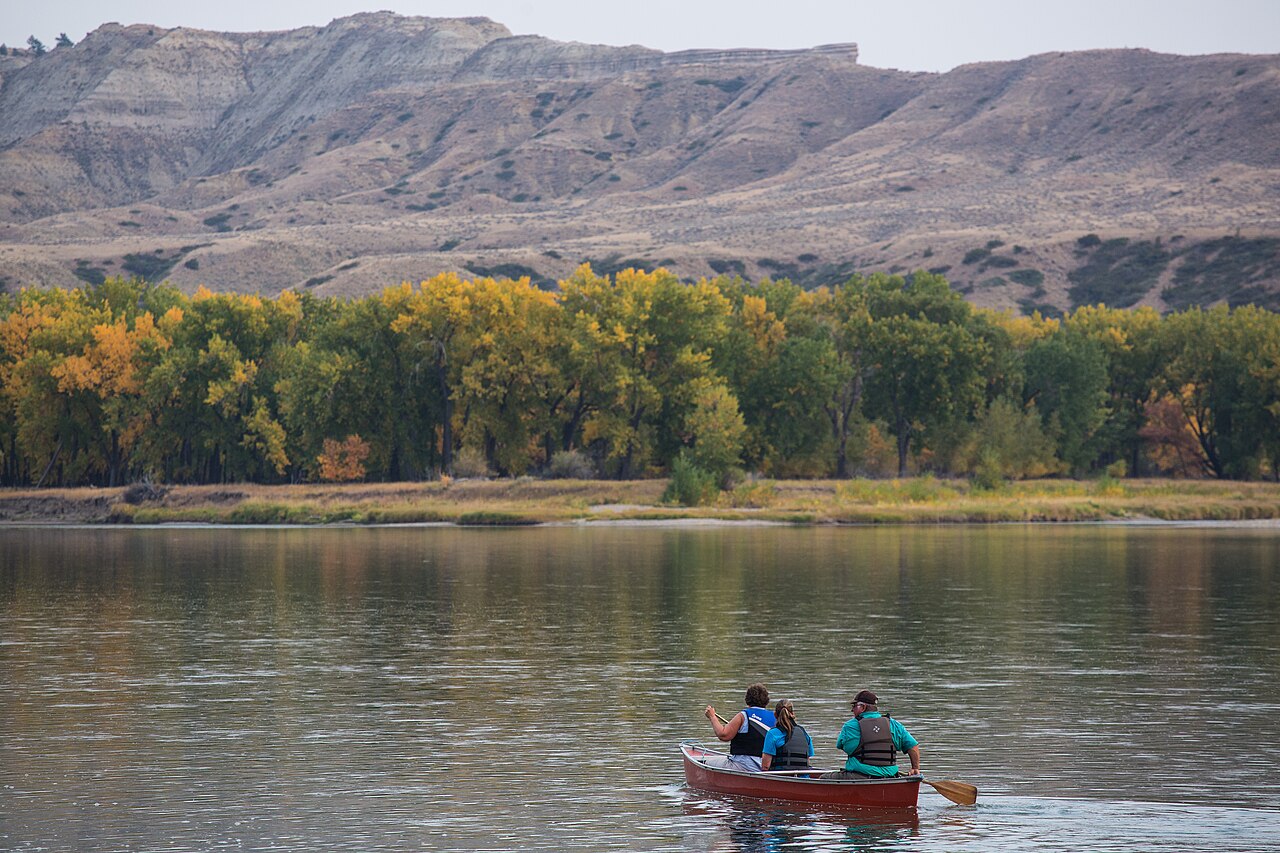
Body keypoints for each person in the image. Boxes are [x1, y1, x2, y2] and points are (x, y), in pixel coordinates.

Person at [822, 689, 921, 780]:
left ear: (863, 707)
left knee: (824, 778)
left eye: (854, 706)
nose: (852, 710)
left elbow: (842, 746)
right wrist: (915, 768)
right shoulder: (893, 724)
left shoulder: (851, 726)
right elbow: (913, 746)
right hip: (890, 777)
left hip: (859, 777)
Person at [703, 682, 776, 771]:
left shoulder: (744, 715)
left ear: (747, 699)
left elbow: (723, 735)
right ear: (766, 700)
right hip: (768, 767)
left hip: (743, 766)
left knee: (706, 763)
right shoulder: (775, 717)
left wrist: (712, 717)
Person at [761, 698, 813, 772]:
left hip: (780, 778)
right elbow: (807, 761)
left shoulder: (772, 734)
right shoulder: (804, 733)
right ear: (793, 714)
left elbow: (765, 766)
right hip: (803, 777)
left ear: (775, 715)